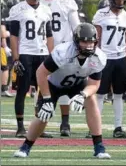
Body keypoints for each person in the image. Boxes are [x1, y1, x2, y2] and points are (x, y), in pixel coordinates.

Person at [13, 23, 110, 159]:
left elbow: (94, 84)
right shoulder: (63, 52)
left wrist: (83, 94)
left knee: (91, 99)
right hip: (53, 85)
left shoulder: (99, 57)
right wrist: (47, 99)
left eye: (91, 41)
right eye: (84, 41)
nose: (88, 45)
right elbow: (41, 73)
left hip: (77, 84)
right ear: (76, 41)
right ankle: (25, 147)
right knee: (44, 114)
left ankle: (99, 147)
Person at [8, 0, 54, 138]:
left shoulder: (46, 9)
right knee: (22, 91)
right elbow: (13, 36)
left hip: (42, 54)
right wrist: (16, 58)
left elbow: (49, 35)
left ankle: (38, 126)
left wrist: (51, 56)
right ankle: (20, 127)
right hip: (26, 54)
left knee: (43, 91)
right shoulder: (17, 9)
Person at [40, 0, 82, 137]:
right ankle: (41, 122)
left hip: (64, 49)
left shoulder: (66, 2)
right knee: (42, 85)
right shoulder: (37, 2)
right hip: (42, 48)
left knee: (63, 84)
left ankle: (65, 123)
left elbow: (76, 26)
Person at [93, 0, 126, 138]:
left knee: (119, 94)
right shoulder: (101, 14)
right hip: (104, 58)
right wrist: (94, 59)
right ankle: (95, 127)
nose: (120, 0)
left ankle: (118, 127)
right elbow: (95, 39)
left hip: (120, 59)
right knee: (100, 94)